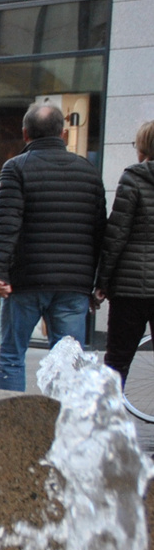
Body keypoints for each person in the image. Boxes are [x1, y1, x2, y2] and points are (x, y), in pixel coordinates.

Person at [0, 101, 106, 392]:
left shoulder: (16, 167)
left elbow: (5, 223)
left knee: (13, 355)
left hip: (26, 281)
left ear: (25, 133)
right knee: (68, 364)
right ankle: (64, 425)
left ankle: (11, 426)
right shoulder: (88, 171)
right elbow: (101, 230)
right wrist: (101, 281)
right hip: (73, 285)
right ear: (63, 134)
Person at [98, 121, 154, 384]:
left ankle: (109, 421)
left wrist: (103, 280)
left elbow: (117, 234)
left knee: (117, 362)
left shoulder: (133, 178)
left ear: (143, 148)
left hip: (130, 290)